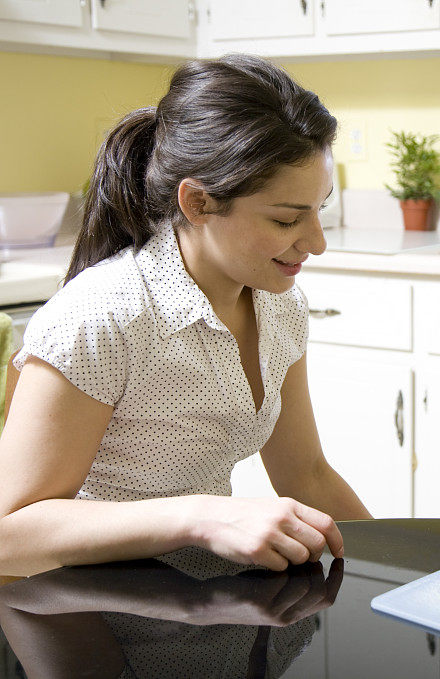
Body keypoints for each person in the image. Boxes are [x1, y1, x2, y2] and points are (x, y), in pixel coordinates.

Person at [0, 54, 371, 578]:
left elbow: (306, 475)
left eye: (319, 209)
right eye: (288, 218)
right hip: (84, 613)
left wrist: (411, 578)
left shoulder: (279, 305)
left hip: (201, 603)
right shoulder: (102, 316)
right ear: (197, 203)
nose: (317, 243)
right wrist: (199, 515)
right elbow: (9, 537)